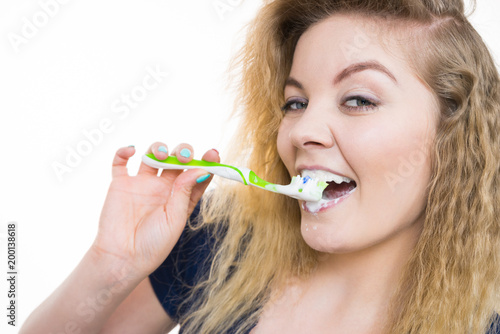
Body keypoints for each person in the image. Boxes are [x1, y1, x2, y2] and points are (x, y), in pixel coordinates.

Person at [20, 0, 500, 333]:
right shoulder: (217, 243)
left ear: (452, 134)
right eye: (296, 102)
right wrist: (110, 267)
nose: (303, 130)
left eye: (357, 99)